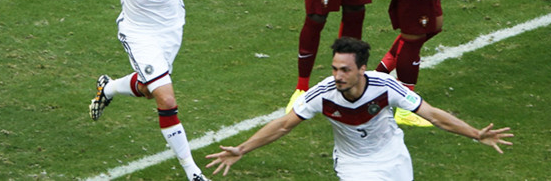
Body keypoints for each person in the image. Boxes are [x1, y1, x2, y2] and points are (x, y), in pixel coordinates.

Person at [0, 0, 294, 180]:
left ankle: (109, 88)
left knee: (150, 86)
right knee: (165, 97)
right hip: (138, 32)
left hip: (172, 29)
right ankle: (193, 172)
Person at [205, 37, 512, 180]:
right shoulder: (323, 94)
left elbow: (432, 115)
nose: (337, 75)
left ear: (362, 69)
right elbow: (284, 125)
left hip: (393, 156)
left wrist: (475, 134)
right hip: (355, 165)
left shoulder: (385, 87)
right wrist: (242, 149)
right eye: (335, 68)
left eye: (344, 70)